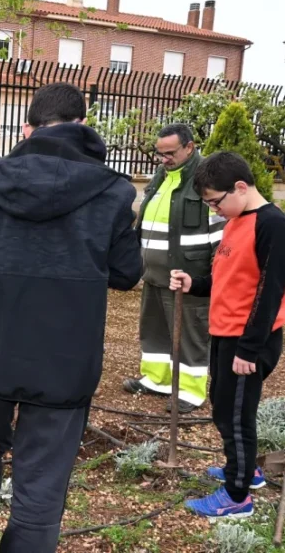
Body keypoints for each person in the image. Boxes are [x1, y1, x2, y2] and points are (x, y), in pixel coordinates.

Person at [0, 83, 143, 553]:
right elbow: (125, 273)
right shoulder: (114, 192)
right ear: (82, 126)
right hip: (65, 356)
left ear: (27, 128)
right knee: (44, 466)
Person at [170, 152, 285, 520]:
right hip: (226, 332)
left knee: (236, 415)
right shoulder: (237, 220)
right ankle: (245, 469)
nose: (215, 211)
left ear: (239, 187)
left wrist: (249, 349)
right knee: (223, 407)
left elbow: (271, 291)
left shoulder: (272, 225)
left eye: (215, 202)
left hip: (248, 341)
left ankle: (237, 497)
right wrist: (195, 284)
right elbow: (230, 278)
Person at [123, 124, 225, 413]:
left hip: (188, 276)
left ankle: (191, 391)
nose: (163, 158)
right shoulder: (161, 176)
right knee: (154, 330)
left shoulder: (205, 178)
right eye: (160, 153)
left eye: (170, 153)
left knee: (191, 335)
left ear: (189, 147)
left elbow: (220, 229)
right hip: (154, 273)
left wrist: (211, 277)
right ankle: (158, 379)